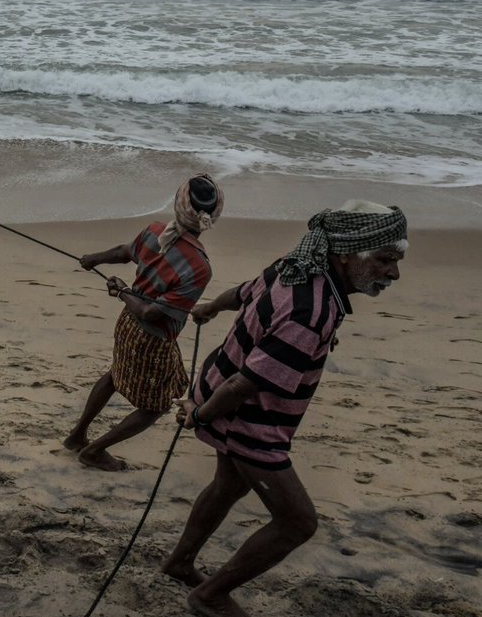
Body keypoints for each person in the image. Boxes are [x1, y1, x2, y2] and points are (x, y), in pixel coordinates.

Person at [161, 201, 407, 617]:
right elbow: (246, 385)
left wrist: (210, 307)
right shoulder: (312, 312)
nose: (394, 273)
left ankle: (179, 562)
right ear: (345, 252)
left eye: (396, 261)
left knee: (228, 487)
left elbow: (242, 293)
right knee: (297, 523)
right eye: (384, 259)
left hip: (217, 382)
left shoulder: (294, 266)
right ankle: (210, 596)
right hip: (249, 419)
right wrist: (199, 417)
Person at [63, 174, 224, 471]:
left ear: (179, 204)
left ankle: (77, 436)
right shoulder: (200, 266)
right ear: (212, 216)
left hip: (127, 324)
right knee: (158, 405)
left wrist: (95, 259)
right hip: (152, 336)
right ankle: (94, 450)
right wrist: (122, 289)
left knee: (115, 375)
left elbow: (126, 253)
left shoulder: (154, 231)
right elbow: (153, 313)